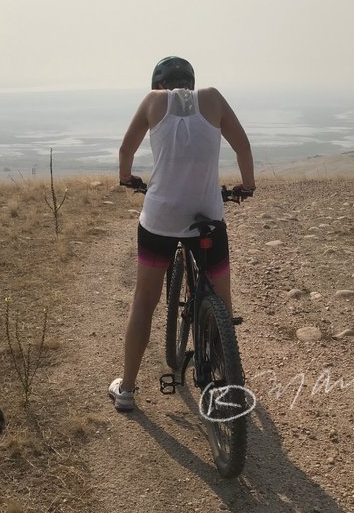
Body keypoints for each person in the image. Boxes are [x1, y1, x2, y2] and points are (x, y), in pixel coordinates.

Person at [109, 56, 256, 411]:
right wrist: (247, 185)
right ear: (191, 81)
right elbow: (243, 146)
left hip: (160, 219)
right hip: (207, 216)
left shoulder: (152, 101)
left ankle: (126, 389)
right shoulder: (215, 99)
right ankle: (231, 376)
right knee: (222, 299)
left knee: (145, 301)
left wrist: (127, 178)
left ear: (159, 83)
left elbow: (126, 150)